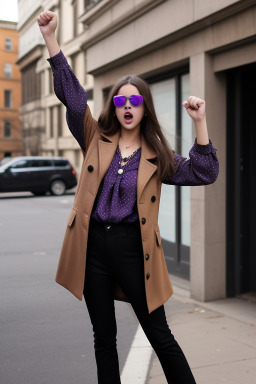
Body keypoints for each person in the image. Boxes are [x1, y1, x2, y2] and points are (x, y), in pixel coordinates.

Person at [37, 10, 219, 384]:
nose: (128, 108)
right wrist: (51, 38)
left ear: (144, 107)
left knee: (160, 336)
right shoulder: (94, 139)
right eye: (120, 103)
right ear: (113, 107)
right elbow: (73, 98)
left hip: (136, 251)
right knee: (103, 338)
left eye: (134, 102)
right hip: (92, 252)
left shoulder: (158, 156)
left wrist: (200, 123)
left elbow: (205, 171)